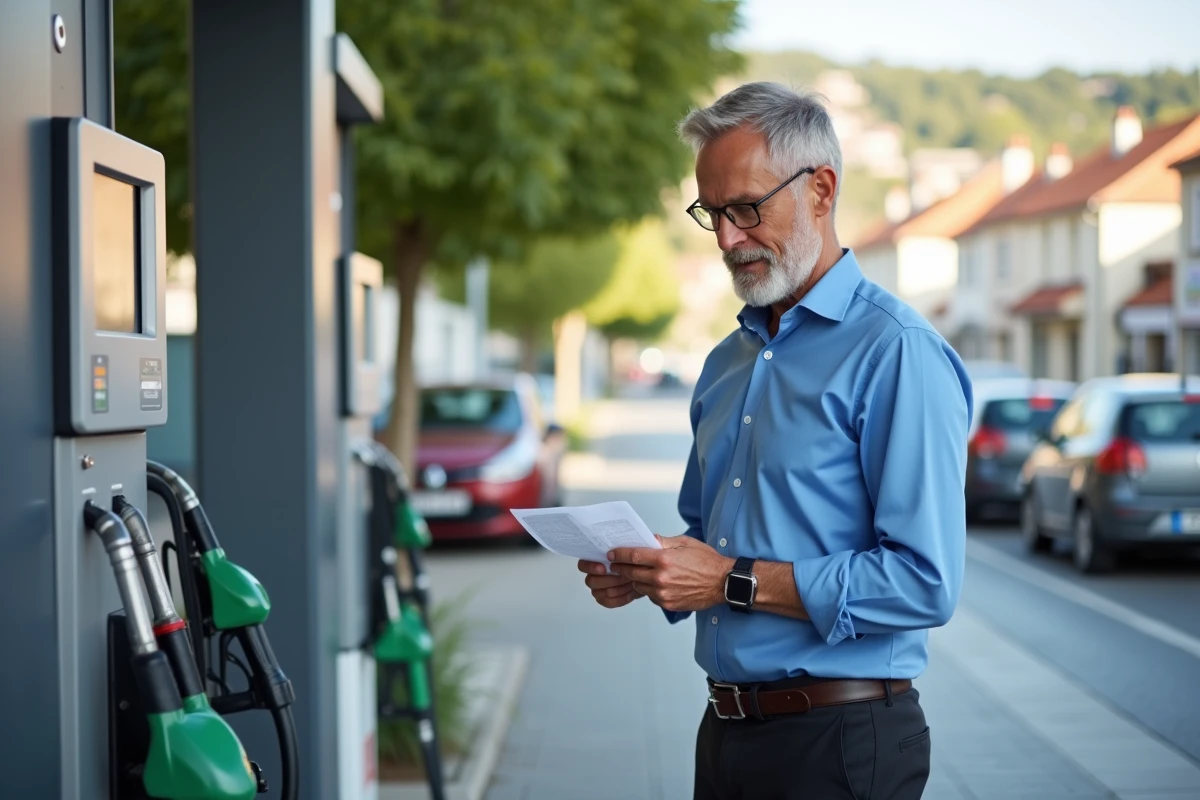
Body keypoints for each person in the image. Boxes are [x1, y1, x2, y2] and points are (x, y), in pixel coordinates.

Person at [577, 82, 973, 799]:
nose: (727, 239)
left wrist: (728, 579)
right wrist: (653, 573)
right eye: (712, 214)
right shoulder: (725, 362)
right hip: (724, 733)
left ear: (821, 190)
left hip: (841, 746)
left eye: (746, 209)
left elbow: (924, 583)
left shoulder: (897, 351)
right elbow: (710, 540)